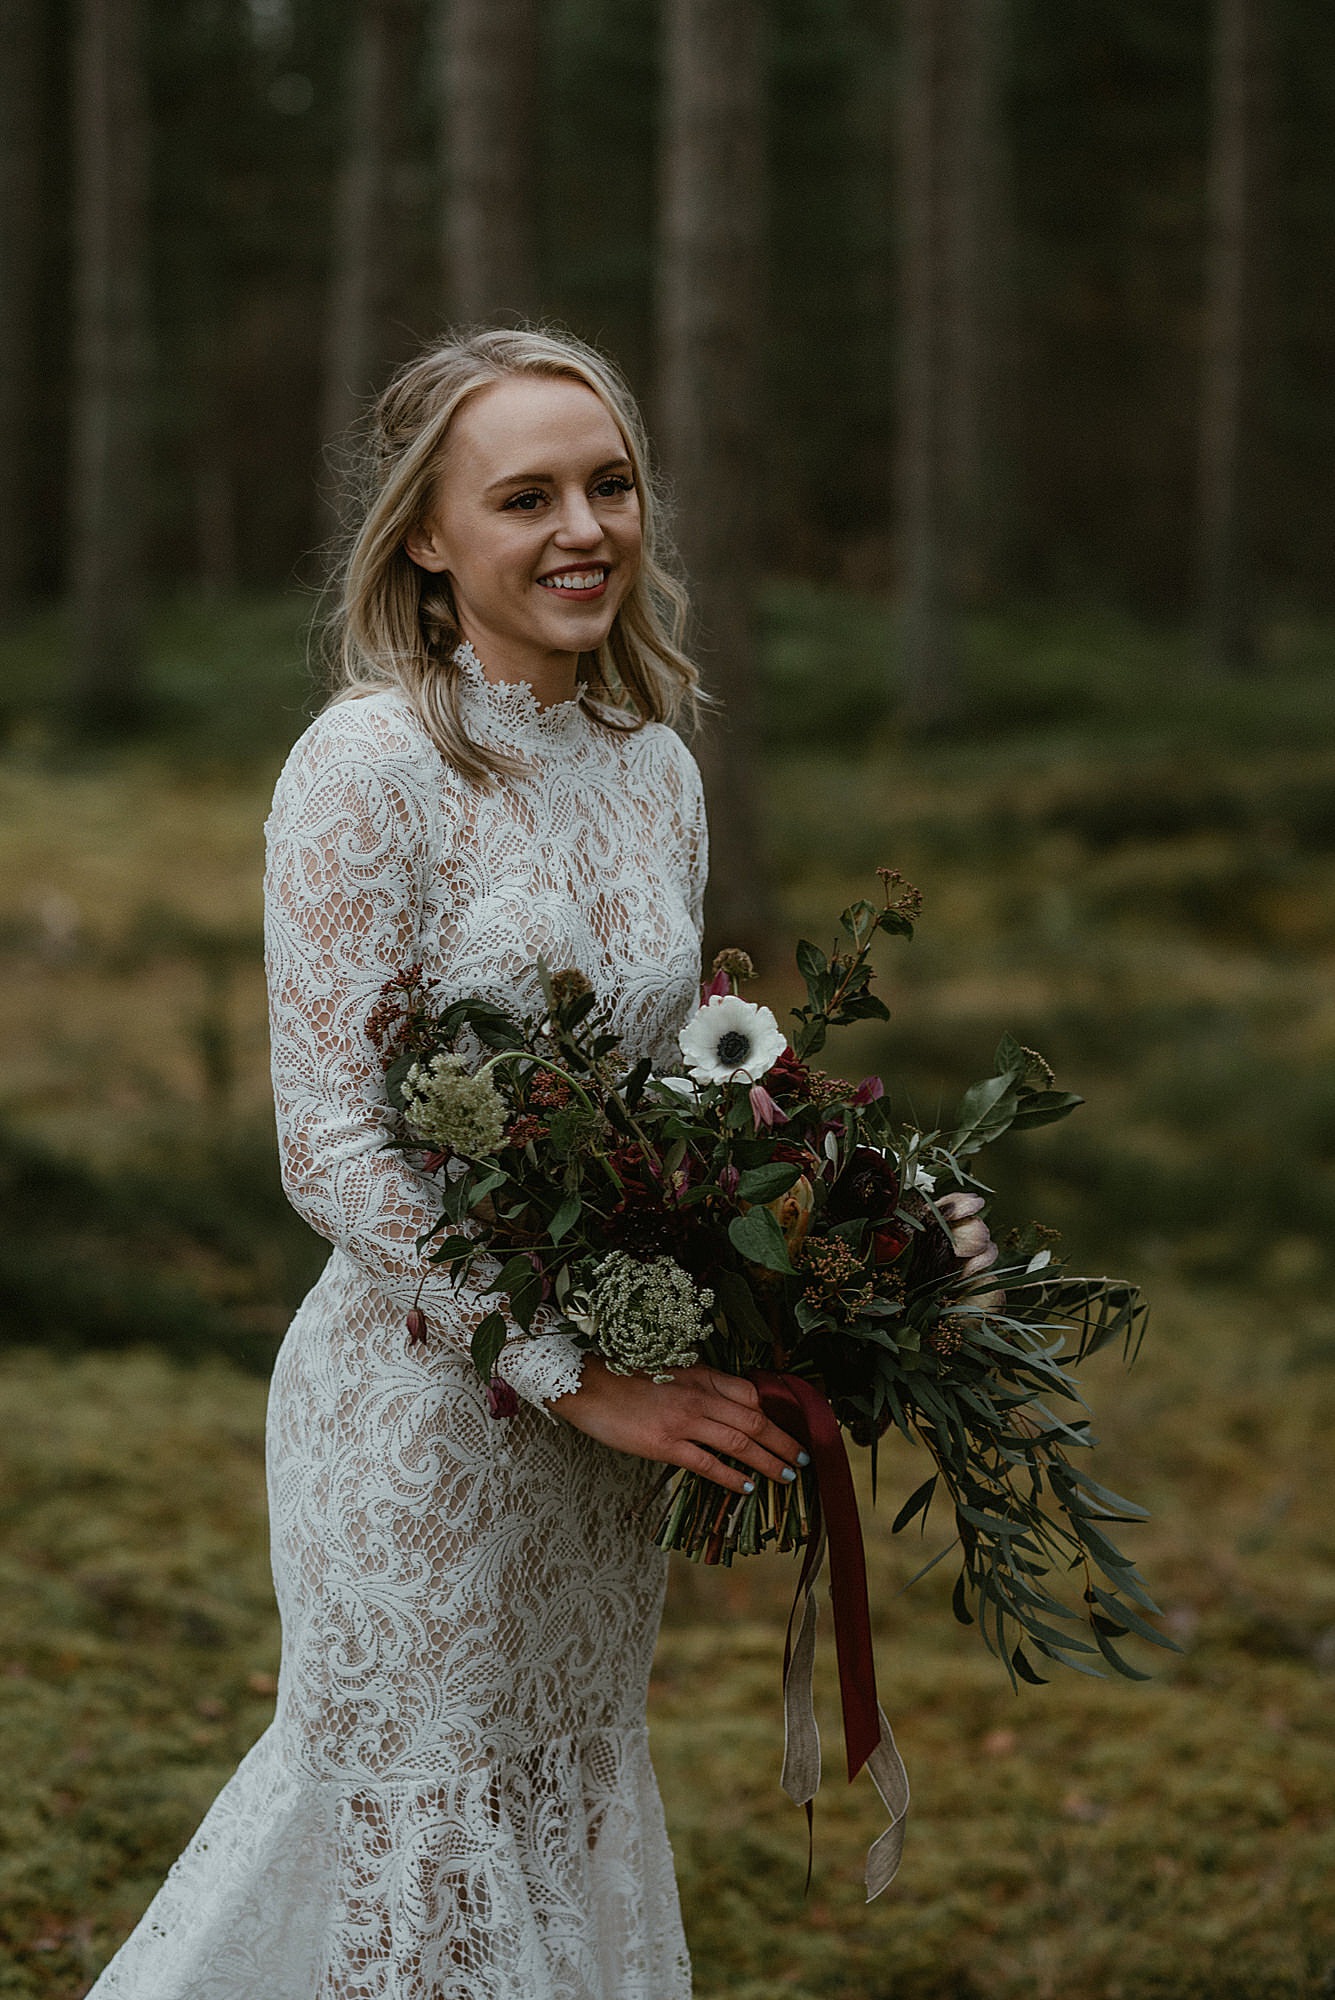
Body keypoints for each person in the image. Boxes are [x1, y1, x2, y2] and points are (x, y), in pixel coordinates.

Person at [87, 324, 806, 2000]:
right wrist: (573, 1373)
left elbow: (652, 1103)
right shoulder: (369, 765)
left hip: (600, 1457)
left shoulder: (656, 769)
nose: (584, 530)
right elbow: (332, 1139)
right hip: (423, 1421)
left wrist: (808, 1240)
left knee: (552, 1817)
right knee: (414, 1848)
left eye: (611, 485)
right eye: (526, 496)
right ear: (427, 534)